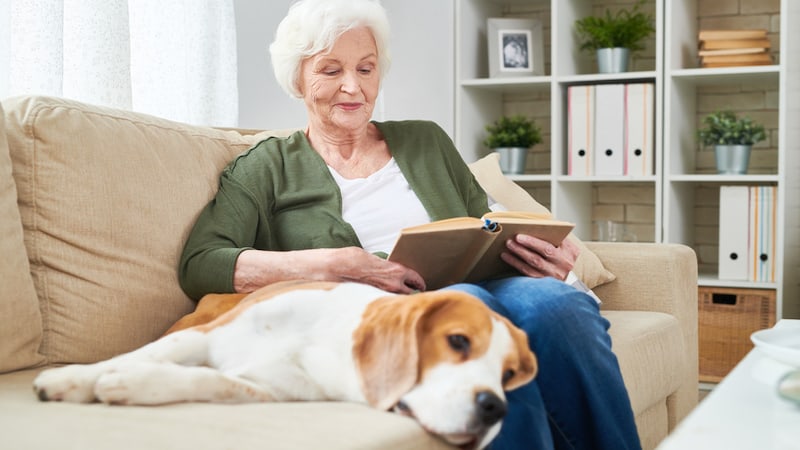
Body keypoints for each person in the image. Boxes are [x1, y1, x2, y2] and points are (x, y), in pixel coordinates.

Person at [178, 1, 641, 449]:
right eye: (331, 69)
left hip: (477, 283)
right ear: (297, 79)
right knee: (470, 310)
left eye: (365, 68)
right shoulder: (266, 167)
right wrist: (336, 263)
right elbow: (202, 263)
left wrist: (543, 257)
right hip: (391, 311)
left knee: (559, 306)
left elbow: (483, 224)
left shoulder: (426, 139)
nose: (353, 87)